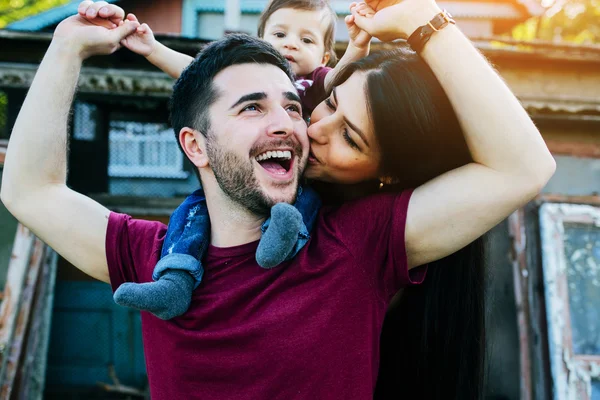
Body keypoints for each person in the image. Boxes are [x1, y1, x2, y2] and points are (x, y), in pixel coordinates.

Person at [0, 1, 556, 400]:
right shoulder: (152, 260)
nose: (297, 126)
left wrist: (422, 20)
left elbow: (521, 166)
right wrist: (65, 46)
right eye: (251, 108)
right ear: (195, 144)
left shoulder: (356, 246)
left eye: (294, 106)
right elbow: (32, 191)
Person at [89, 0, 373, 319]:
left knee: (306, 200)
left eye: (306, 40)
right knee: (192, 213)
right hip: (241, 178)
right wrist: (152, 49)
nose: (292, 43)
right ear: (260, 40)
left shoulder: (320, 81)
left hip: (296, 179)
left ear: (323, 56)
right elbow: (194, 74)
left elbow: (346, 80)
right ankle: (175, 279)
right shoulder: (243, 80)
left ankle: (287, 244)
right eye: (280, 34)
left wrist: (359, 45)